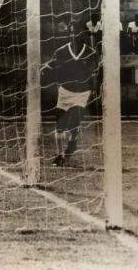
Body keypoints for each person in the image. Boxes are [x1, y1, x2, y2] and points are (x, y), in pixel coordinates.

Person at [42, 23, 98, 167]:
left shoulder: (91, 53)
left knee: (74, 122)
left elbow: (94, 74)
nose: (75, 35)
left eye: (78, 32)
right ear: (69, 34)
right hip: (65, 92)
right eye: (72, 32)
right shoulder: (61, 51)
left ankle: (72, 141)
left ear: (84, 34)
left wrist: (95, 88)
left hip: (82, 93)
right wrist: (44, 69)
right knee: (60, 126)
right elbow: (51, 65)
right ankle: (60, 155)